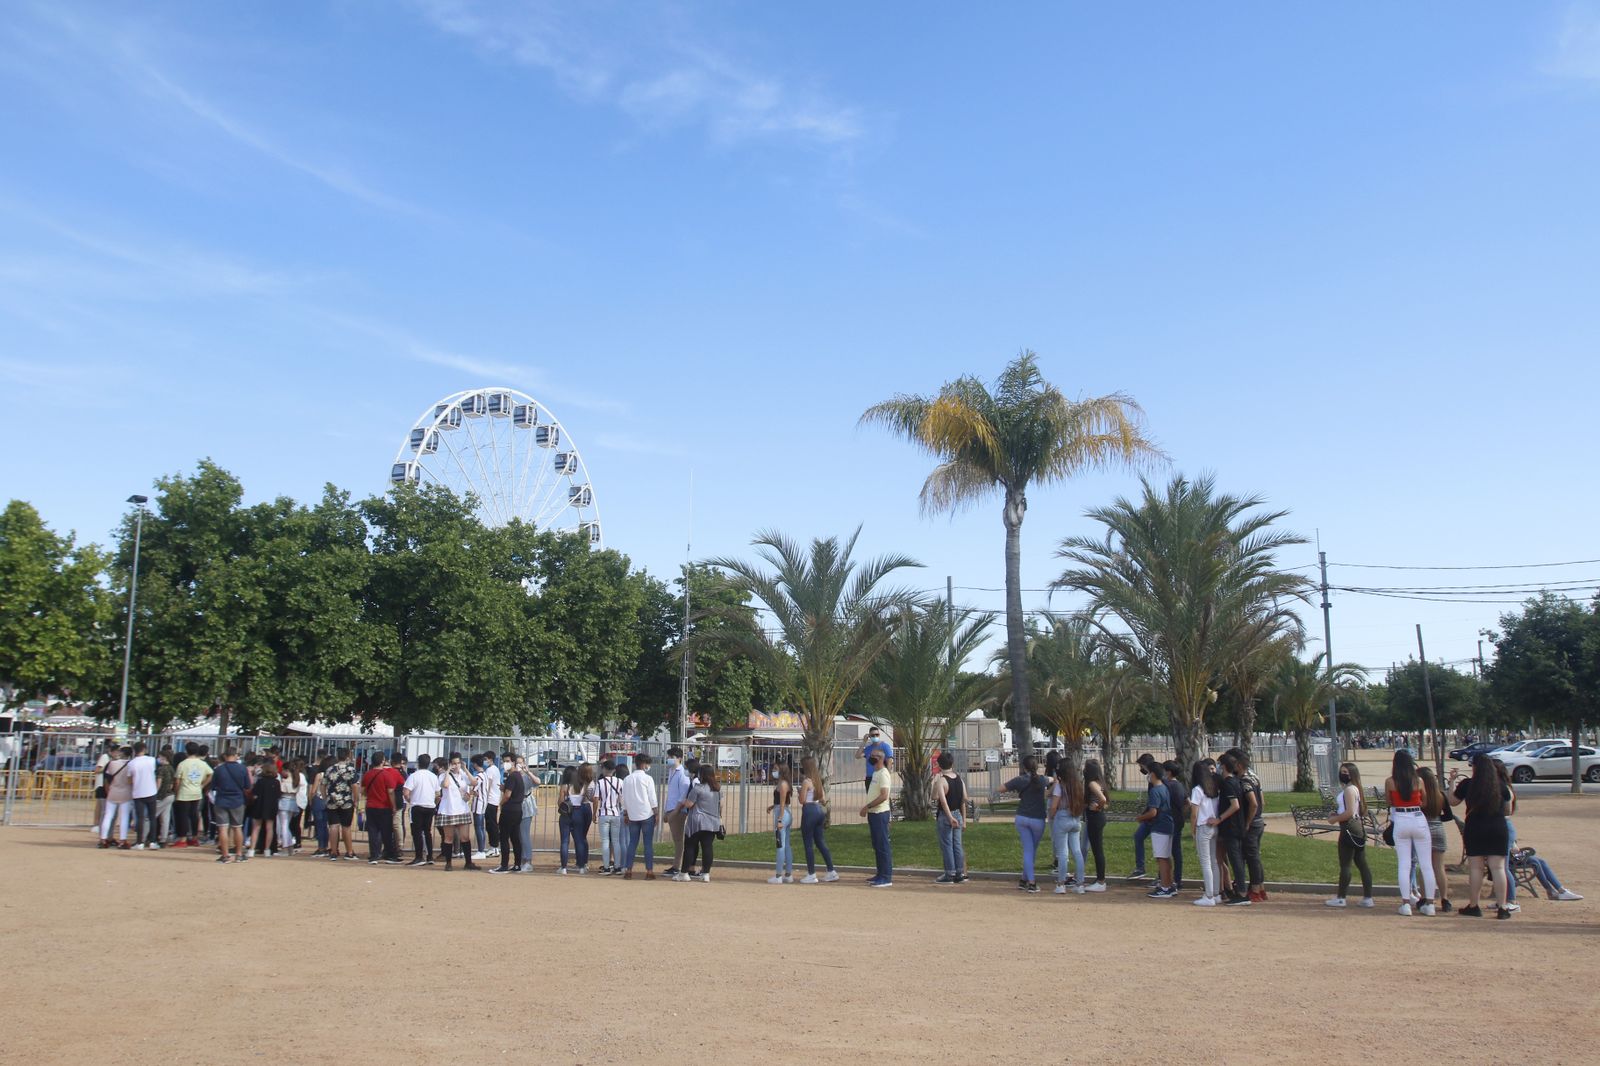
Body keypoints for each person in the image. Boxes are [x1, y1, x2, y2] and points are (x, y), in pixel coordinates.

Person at [1454, 753, 1513, 919]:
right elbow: (1508, 809)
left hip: (1476, 827)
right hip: (1497, 827)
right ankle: (1502, 907)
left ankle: (1474, 905)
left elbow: (1452, 801)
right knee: (1499, 868)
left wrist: (1451, 782)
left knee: (1476, 868)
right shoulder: (1501, 786)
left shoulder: (1467, 784)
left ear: (1475, 767)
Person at [1386, 748, 1438, 916]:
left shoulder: (1391, 781)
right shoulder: (1419, 781)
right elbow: (1424, 802)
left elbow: (1389, 801)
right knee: (1426, 864)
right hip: (1417, 817)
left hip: (1401, 818)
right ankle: (1430, 904)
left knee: (1404, 864)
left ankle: (1406, 903)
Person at [1324, 762, 1375, 909]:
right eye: (1342, 771)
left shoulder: (1349, 790)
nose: (1343, 774)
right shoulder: (1354, 789)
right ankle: (1367, 897)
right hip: (1356, 828)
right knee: (1361, 863)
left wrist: (1334, 819)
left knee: (1346, 864)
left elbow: (1349, 812)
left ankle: (1341, 897)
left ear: (1352, 774)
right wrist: (1337, 814)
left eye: (1345, 772)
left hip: (1349, 828)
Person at [999, 755, 1048, 893]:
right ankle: (1031, 883)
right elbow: (1052, 780)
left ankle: (1024, 880)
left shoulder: (1020, 780)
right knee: (1031, 851)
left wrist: (1015, 790)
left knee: (1028, 850)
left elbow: (1001, 788)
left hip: (1022, 817)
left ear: (1024, 767)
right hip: (1038, 819)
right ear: (1037, 767)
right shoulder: (1042, 780)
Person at [1225, 747, 1267, 902]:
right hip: (1259, 821)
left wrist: (1247, 823)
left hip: (1252, 823)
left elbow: (1254, 803)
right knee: (1254, 856)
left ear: (1239, 765)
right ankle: (1260, 887)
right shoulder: (1254, 776)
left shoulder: (1245, 780)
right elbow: (1262, 800)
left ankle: (1255, 889)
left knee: (1251, 856)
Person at [1135, 761, 1177, 898]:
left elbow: (1153, 812)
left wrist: (1141, 817)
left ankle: (1165, 887)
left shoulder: (1155, 790)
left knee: (1162, 858)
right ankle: (1169, 884)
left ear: (1152, 774)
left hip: (1159, 826)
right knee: (1166, 857)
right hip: (1168, 824)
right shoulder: (1164, 787)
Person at [1213, 754, 1250, 906]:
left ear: (1224, 766)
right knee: (1236, 860)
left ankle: (1242, 893)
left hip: (1232, 827)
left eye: (1220, 765)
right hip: (1235, 827)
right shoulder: (1235, 781)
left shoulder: (1229, 783)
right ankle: (1239, 890)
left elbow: (1235, 805)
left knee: (1236, 860)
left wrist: (1219, 819)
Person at [678, 764, 723, 882]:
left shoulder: (698, 788)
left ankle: (684, 873)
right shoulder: (718, 789)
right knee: (707, 847)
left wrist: (683, 802)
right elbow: (721, 805)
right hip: (712, 822)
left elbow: (689, 804)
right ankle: (706, 873)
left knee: (690, 846)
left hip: (697, 822)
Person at [797, 755, 839, 884]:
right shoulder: (817, 780)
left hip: (809, 811)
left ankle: (811, 873)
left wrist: (800, 793)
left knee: (808, 844)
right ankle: (831, 871)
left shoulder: (806, 782)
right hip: (819, 810)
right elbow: (823, 799)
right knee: (820, 842)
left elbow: (802, 800)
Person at [1049, 758, 1087, 894]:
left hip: (1062, 818)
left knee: (1063, 853)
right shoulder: (1078, 785)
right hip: (1075, 819)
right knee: (1077, 852)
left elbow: (1053, 806)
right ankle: (1080, 883)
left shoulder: (1060, 786)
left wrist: (1052, 816)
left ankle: (1061, 884)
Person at [435, 752, 479, 871]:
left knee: (465, 837)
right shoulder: (443, 775)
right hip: (448, 809)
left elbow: (474, 782)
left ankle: (468, 862)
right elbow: (445, 785)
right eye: (454, 763)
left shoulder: (463, 774)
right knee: (448, 837)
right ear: (450, 764)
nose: (456, 765)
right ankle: (448, 863)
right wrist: (448, 771)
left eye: (458, 763)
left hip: (462, 809)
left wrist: (465, 769)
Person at [359, 753, 404, 865]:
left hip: (370, 805)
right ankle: (389, 854)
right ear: (382, 761)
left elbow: (363, 791)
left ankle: (374, 855)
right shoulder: (386, 775)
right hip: (384, 806)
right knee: (387, 832)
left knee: (373, 831)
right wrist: (393, 806)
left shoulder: (367, 774)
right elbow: (390, 792)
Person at [1418, 766, 1452, 913]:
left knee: (1425, 866)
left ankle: (1425, 897)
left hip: (1423, 828)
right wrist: (1437, 818)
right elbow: (1449, 816)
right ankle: (1445, 899)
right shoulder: (1440, 795)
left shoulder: (1420, 796)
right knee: (1439, 866)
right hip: (1438, 828)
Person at [620, 753, 659, 880]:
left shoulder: (627, 779)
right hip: (647, 814)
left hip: (632, 815)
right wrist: (656, 812)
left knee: (632, 842)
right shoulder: (648, 779)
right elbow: (652, 798)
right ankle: (649, 871)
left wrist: (625, 813)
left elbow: (624, 798)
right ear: (644, 764)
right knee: (648, 844)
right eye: (648, 764)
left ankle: (628, 870)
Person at [859, 750, 894, 888]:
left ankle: (886, 877)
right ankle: (880, 873)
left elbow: (884, 795)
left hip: (880, 813)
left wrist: (867, 806)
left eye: (872, 757)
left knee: (883, 845)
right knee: (877, 845)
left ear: (879, 758)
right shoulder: (875, 773)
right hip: (874, 814)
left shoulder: (884, 774)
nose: (869, 758)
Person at [1189, 760, 1222, 907]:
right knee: (1214, 861)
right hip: (1213, 826)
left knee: (1206, 862)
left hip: (1203, 826)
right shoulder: (1213, 788)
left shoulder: (1197, 790)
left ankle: (1209, 896)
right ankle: (1215, 894)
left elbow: (1194, 814)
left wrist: (1192, 830)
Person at [932, 751, 967, 885]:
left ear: (939, 765)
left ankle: (949, 873)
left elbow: (940, 799)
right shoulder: (959, 779)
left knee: (947, 845)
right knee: (957, 844)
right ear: (952, 763)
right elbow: (964, 798)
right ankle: (960, 872)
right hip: (957, 812)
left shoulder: (942, 780)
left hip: (946, 815)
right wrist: (962, 818)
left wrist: (949, 816)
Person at [210, 748, 250, 864]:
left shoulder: (219, 769)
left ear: (225, 756)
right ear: (236, 755)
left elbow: (213, 786)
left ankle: (225, 855)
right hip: (237, 800)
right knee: (237, 827)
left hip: (221, 800)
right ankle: (238, 854)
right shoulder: (242, 768)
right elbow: (247, 786)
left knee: (222, 828)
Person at [492, 759, 531, 874]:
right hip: (517, 810)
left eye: (507, 761)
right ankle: (517, 864)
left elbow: (508, 795)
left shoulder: (512, 777)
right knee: (515, 838)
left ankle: (504, 865)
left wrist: (501, 803)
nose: (505, 763)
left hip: (509, 810)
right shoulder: (518, 776)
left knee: (504, 837)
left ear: (513, 762)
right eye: (504, 761)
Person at [322, 748, 359, 861]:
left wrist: (325, 797)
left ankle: (333, 852)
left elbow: (323, 785)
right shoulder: (350, 770)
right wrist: (356, 800)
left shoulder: (330, 769)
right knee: (346, 827)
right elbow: (354, 786)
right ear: (347, 757)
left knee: (333, 826)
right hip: (346, 801)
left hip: (332, 800)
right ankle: (349, 852)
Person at [1125, 752, 1158, 879]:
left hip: (1155, 817)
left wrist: (1145, 815)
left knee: (1159, 847)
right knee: (1138, 837)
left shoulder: (1154, 780)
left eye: (1142, 766)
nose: (1141, 770)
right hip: (1150, 816)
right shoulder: (1150, 778)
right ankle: (1140, 868)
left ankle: (1161, 877)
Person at [590, 759, 626, 876]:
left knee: (605, 841)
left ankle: (606, 867)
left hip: (604, 813)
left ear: (604, 769)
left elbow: (596, 799)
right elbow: (622, 798)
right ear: (614, 770)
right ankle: (617, 866)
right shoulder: (620, 782)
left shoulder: (600, 782)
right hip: (616, 813)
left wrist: (594, 813)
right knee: (616, 841)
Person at [173, 744, 212, 848]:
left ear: (186, 751)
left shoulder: (182, 764)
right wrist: (203, 784)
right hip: (197, 791)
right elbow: (211, 773)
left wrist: (176, 792)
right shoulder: (202, 763)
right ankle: (194, 838)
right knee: (194, 815)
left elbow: (177, 780)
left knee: (183, 816)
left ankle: (183, 838)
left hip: (184, 792)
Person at [662, 748, 694, 877]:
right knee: (676, 839)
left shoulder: (682, 774)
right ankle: (676, 866)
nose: (669, 759)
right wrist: (666, 811)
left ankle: (677, 866)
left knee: (678, 839)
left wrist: (675, 812)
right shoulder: (671, 771)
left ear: (678, 758)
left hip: (678, 810)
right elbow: (671, 794)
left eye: (671, 756)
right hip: (671, 809)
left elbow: (683, 795)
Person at [403, 756, 440, 866]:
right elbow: (438, 794)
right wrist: (434, 804)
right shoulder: (433, 776)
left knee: (417, 832)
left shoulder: (414, 776)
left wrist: (410, 800)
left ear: (418, 763)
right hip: (430, 806)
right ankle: (429, 856)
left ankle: (419, 856)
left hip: (417, 805)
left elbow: (406, 792)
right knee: (427, 831)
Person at [98, 746, 135, 849]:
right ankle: (123, 840)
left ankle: (103, 839)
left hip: (113, 791)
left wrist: (108, 791)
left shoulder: (112, 763)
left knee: (108, 815)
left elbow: (107, 779)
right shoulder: (131, 765)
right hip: (126, 792)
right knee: (124, 817)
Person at [560, 763, 594, 875]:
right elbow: (588, 798)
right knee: (579, 840)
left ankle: (564, 867)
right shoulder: (582, 785)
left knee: (565, 841)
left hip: (567, 814)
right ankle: (581, 867)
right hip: (578, 812)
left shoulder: (565, 786)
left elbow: (560, 802)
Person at [1082, 759, 1109, 892]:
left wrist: (1098, 807)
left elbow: (1103, 799)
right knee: (1097, 850)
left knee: (1097, 850)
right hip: (1097, 818)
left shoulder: (1092, 783)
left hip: (1095, 818)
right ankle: (1100, 879)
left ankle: (1101, 881)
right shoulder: (1100, 782)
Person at [1161, 760, 1188, 891]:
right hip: (1178, 819)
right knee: (1176, 851)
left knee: (1168, 851)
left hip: (1170, 820)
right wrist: (1181, 812)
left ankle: (1170, 879)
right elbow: (1187, 802)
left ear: (1169, 772)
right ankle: (1177, 878)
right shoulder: (1180, 785)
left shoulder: (1168, 785)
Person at [767, 764, 795, 885]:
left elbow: (783, 802)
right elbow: (781, 801)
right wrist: (773, 806)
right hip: (785, 812)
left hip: (782, 814)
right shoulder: (784, 783)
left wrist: (779, 819)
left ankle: (779, 875)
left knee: (780, 845)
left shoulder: (783, 784)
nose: (773, 771)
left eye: (775, 769)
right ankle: (788, 874)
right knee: (786, 845)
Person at [250, 759, 281, 857]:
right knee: (270, 828)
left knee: (256, 828)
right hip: (271, 806)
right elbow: (278, 795)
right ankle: (267, 849)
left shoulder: (260, 781)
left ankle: (251, 849)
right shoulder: (276, 782)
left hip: (259, 805)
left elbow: (254, 794)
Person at [278, 761, 307, 855]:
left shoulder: (285, 781)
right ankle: (289, 847)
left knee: (284, 826)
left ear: (286, 770)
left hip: (285, 802)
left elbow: (281, 791)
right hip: (293, 802)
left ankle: (285, 848)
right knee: (286, 826)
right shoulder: (297, 779)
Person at [479, 751, 503, 861]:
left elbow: (487, 786)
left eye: (486, 759)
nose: (484, 761)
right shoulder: (495, 769)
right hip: (494, 799)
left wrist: (484, 799)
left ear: (490, 759)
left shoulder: (490, 770)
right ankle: (494, 846)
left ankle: (494, 847)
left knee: (491, 824)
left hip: (490, 800)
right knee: (492, 824)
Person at [154, 746, 176, 845]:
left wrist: (155, 793)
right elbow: (172, 783)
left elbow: (158, 783)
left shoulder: (161, 769)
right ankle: (163, 838)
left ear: (164, 758)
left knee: (150, 816)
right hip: (170, 795)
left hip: (161, 796)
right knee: (165, 818)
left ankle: (146, 837)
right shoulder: (171, 768)